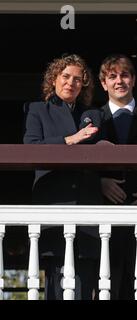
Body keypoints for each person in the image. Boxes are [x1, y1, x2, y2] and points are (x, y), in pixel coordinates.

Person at [81, 54, 137, 300]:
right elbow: (80, 163)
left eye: (124, 75)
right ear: (103, 83)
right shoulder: (92, 118)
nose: (119, 81)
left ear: (134, 80)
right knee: (109, 287)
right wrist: (99, 183)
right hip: (107, 217)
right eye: (112, 76)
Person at [23, 54, 101, 300]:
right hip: (53, 203)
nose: (71, 83)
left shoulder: (93, 114)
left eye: (78, 79)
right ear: (54, 79)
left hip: (87, 205)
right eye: (65, 76)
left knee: (85, 281)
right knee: (56, 284)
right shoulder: (37, 109)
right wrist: (70, 140)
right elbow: (30, 147)